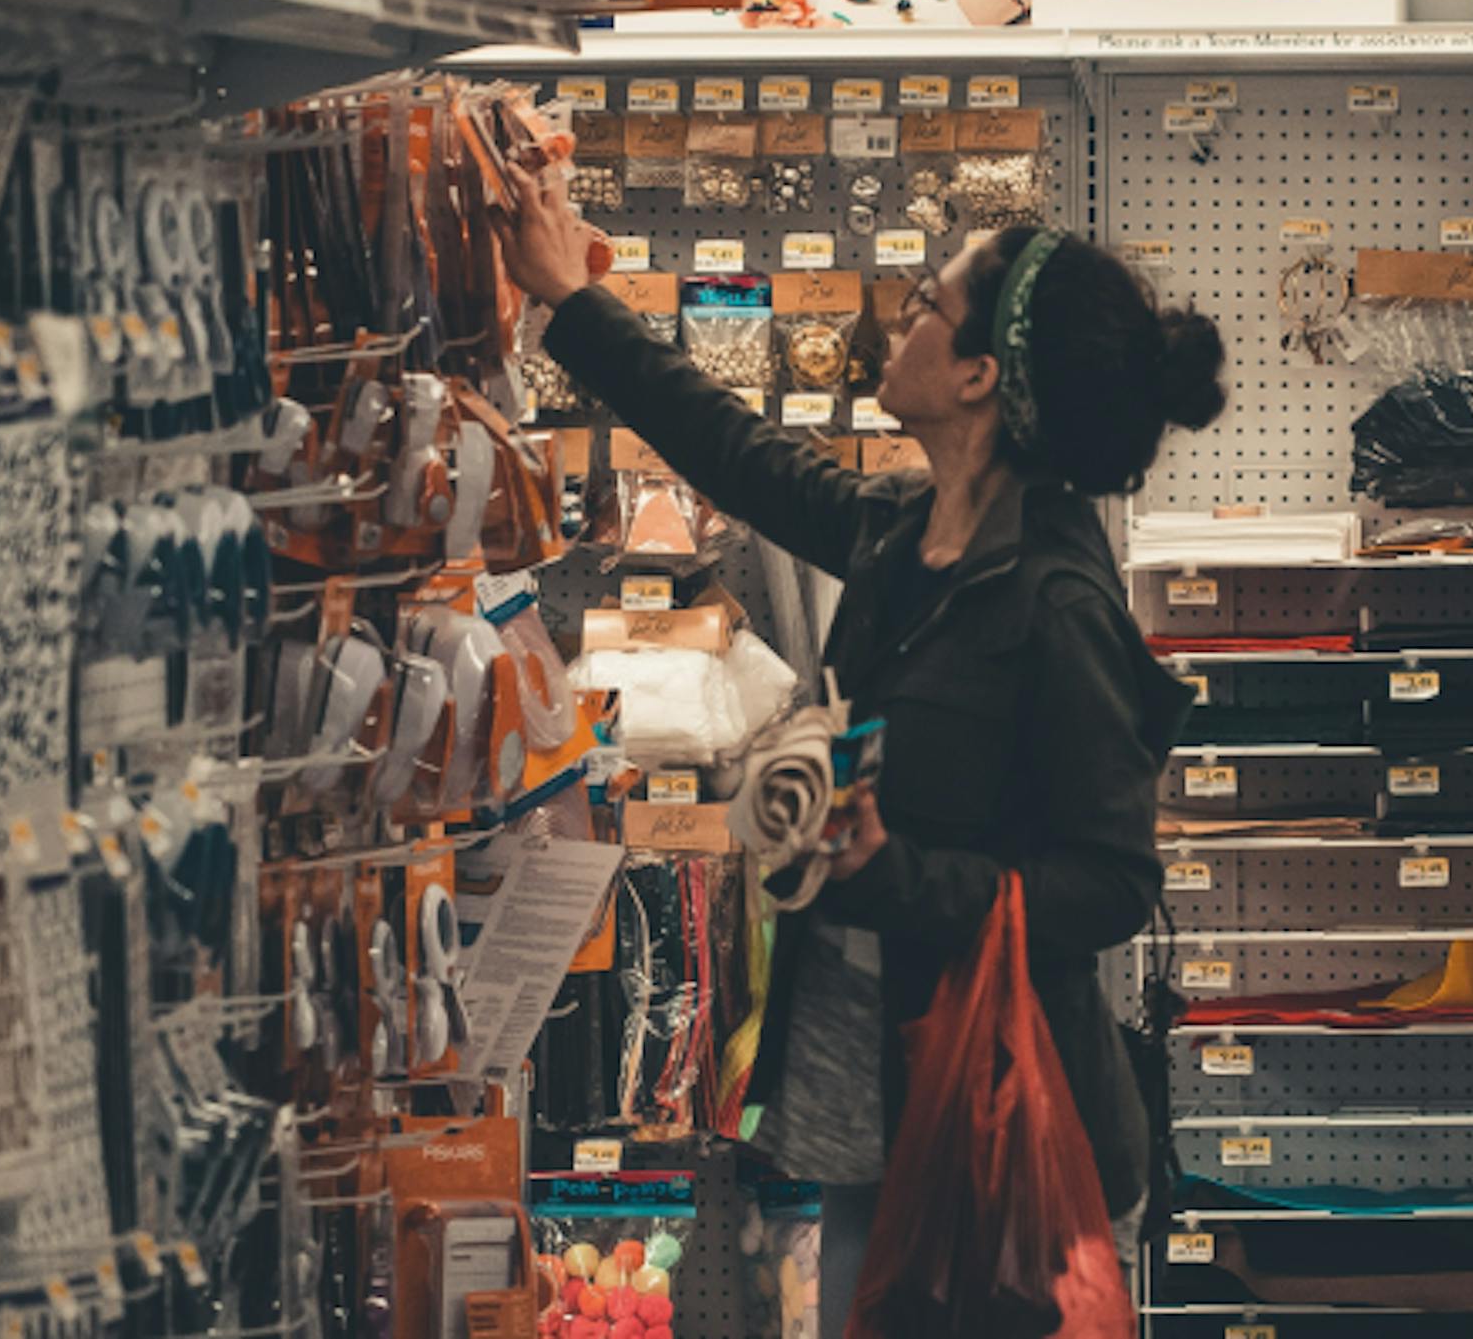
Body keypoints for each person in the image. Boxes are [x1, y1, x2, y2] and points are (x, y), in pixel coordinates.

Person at [503, 169, 1226, 1326]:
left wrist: (894, 875)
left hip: (996, 1131)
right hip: (871, 1096)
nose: (901, 316)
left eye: (930, 307)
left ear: (981, 377)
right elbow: (732, 448)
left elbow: (1112, 886)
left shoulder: (1058, 603)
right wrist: (568, 302)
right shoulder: (906, 530)